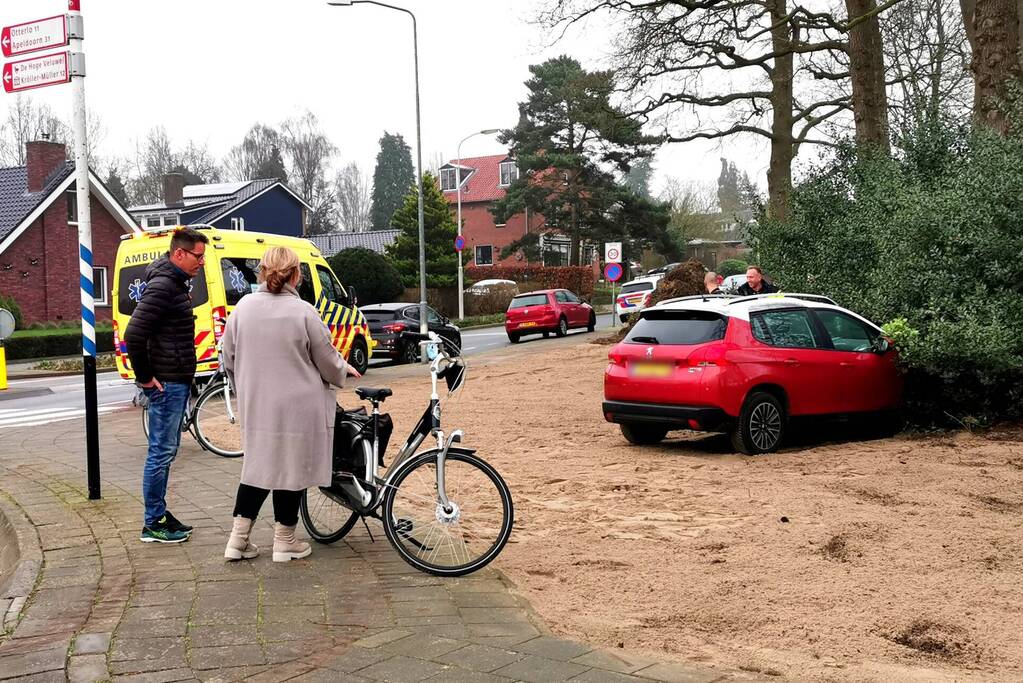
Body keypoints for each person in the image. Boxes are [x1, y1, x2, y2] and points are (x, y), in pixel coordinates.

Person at [220, 246, 361, 563]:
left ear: (262, 271)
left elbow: (227, 357)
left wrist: (243, 381)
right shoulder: (304, 312)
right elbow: (326, 359)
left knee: (257, 467)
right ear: (296, 275)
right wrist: (342, 370)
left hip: (258, 404)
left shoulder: (242, 308)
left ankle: (237, 540)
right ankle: (285, 541)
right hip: (300, 406)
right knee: (292, 469)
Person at [125, 227, 209, 544]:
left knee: (166, 451)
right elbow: (134, 334)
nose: (201, 262)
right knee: (160, 453)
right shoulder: (163, 286)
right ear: (178, 254)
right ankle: (152, 523)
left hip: (175, 380)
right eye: (198, 256)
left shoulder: (172, 284)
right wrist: (146, 378)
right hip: (166, 384)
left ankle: (159, 514)